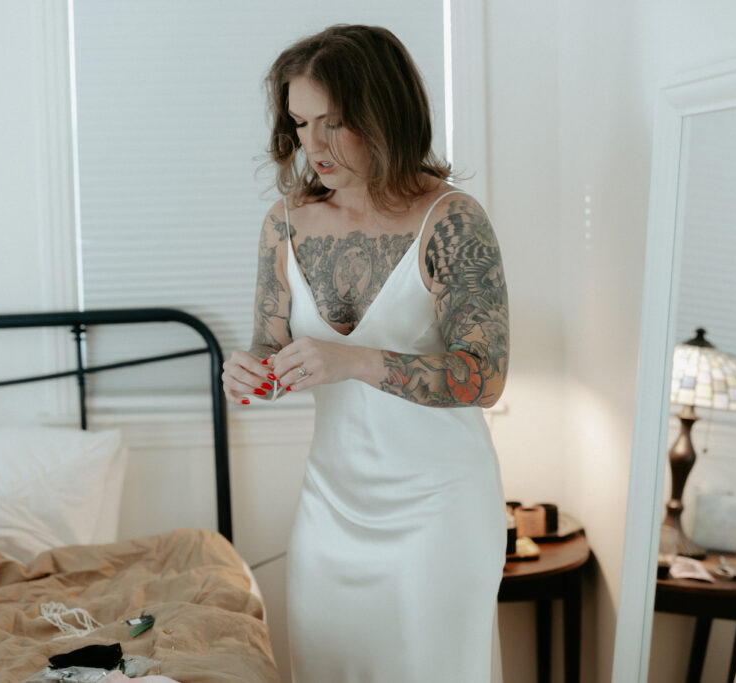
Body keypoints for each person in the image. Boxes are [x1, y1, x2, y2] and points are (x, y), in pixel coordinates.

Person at [221, 24, 509, 682]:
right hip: (330, 507)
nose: (313, 145)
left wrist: (352, 360)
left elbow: (484, 376)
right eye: (300, 123)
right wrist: (252, 372)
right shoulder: (284, 224)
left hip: (439, 511)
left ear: (386, 112)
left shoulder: (452, 220)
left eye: (336, 122)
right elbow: (274, 347)